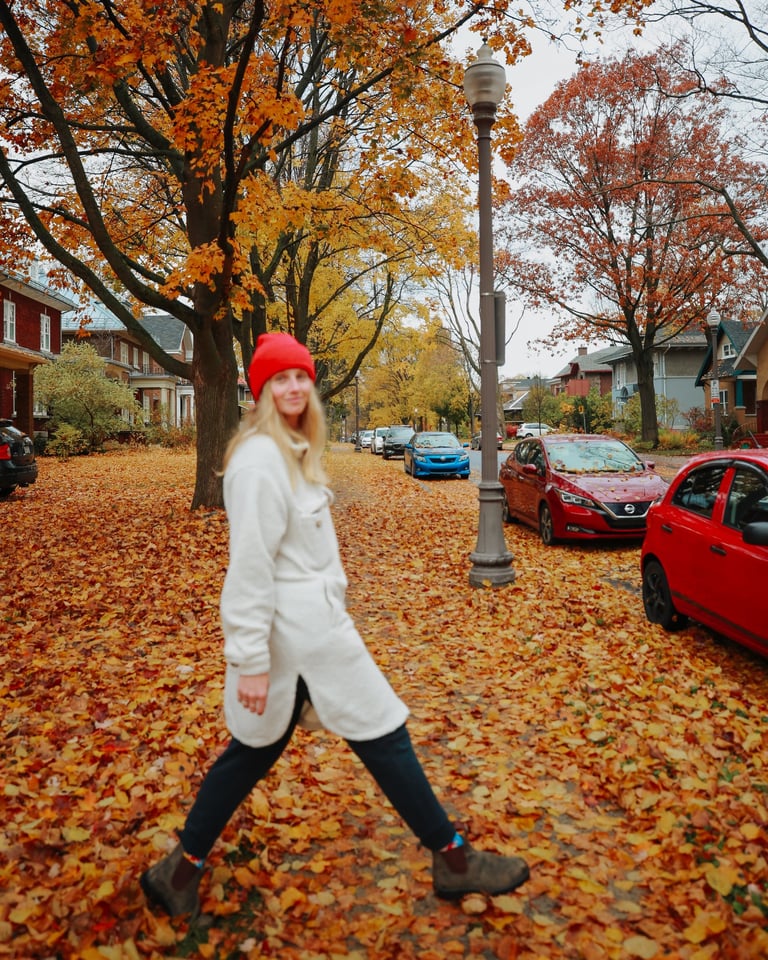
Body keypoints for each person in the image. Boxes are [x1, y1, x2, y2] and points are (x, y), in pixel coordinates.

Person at [140, 332, 529, 918]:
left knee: (252, 752)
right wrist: (250, 659)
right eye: (280, 379)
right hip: (299, 637)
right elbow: (250, 568)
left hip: (310, 631)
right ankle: (453, 859)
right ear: (261, 391)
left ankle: (179, 871)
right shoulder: (259, 462)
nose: (293, 387)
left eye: (300, 376)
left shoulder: (290, 452)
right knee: (383, 732)